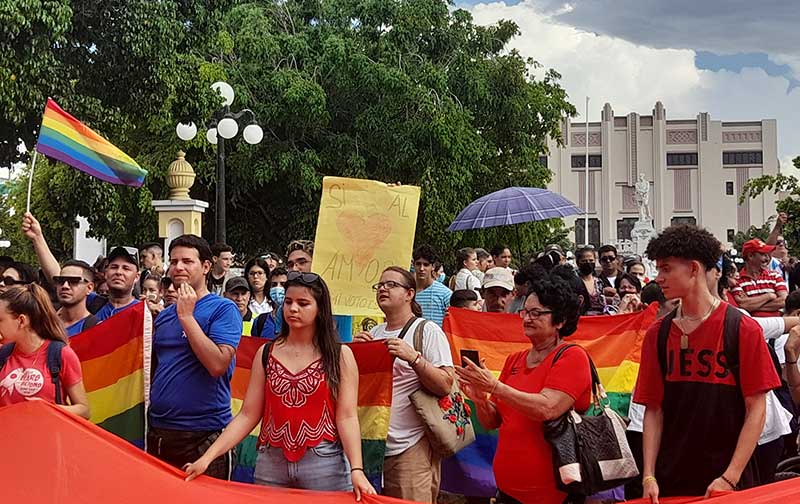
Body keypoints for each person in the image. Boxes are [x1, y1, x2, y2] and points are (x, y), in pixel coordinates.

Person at [184, 271, 375, 500]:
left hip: (325, 462)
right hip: (271, 462)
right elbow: (248, 415)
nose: (293, 309)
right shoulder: (266, 353)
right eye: (288, 302)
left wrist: (357, 469)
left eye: (303, 303)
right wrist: (208, 457)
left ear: (320, 309)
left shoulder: (340, 355)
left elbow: (347, 417)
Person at [634, 225, 780, 499]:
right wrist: (649, 475)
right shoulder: (658, 334)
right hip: (671, 478)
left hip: (728, 479)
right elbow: (653, 409)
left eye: (666, 269)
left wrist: (730, 477)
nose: (658, 278)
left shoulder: (742, 328)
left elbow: (757, 409)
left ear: (693, 268)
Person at [456, 274, 591, 504]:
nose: (527, 318)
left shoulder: (572, 357)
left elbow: (547, 408)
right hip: (507, 490)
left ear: (560, 320)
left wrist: (495, 387)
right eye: (525, 312)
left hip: (554, 494)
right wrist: (480, 399)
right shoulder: (514, 360)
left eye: (536, 313)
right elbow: (492, 422)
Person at [353, 266, 454, 503]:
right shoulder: (374, 333)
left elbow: (446, 383)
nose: (383, 289)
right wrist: (355, 353)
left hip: (410, 447)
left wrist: (414, 358)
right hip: (372, 447)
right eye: (380, 285)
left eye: (391, 284)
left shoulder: (427, 330)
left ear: (409, 294)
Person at [147, 235, 243, 480]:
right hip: (160, 432)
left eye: (187, 261)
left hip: (204, 436)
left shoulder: (223, 309)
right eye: (173, 261)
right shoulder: (166, 315)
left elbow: (217, 364)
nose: (178, 267)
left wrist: (187, 318)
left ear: (206, 266)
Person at [0, 284, 90, 419]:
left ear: (21, 320)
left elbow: (84, 410)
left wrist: (47, 408)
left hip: (46, 431)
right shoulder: (3, 353)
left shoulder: (60, 353)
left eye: (0, 320)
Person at [733, 239, 788, 317]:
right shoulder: (737, 280)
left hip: (776, 322)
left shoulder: (775, 276)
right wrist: (769, 296)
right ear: (750, 256)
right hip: (752, 323)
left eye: (767, 255)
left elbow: (784, 300)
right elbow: (743, 305)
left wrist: (754, 307)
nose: (767, 259)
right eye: (763, 254)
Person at [94, 247, 141, 321]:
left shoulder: (143, 312)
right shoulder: (90, 303)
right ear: (106, 273)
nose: (118, 272)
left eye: (126, 268)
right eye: (114, 267)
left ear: (137, 277)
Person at [54, 260, 97, 336]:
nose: (65, 286)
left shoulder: (96, 328)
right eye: (61, 280)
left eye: (74, 281)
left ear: (89, 288)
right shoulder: (44, 324)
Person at [412, 245, 452, 326]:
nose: (421, 268)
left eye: (426, 265)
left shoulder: (445, 294)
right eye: (418, 264)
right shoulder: (407, 292)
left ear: (433, 266)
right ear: (413, 264)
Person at [251, 267, 288, 339]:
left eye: (283, 284)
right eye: (274, 285)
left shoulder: (296, 321)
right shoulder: (260, 321)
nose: (278, 288)